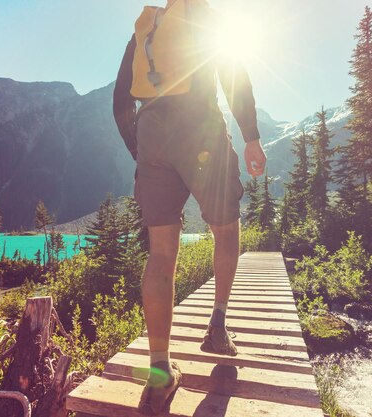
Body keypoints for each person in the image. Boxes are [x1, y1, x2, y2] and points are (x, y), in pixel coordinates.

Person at [113, 0, 266, 414]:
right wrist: (250, 135)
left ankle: (159, 372)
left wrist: (140, 148)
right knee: (226, 228)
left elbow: (119, 101)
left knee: (161, 255)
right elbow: (234, 77)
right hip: (200, 130)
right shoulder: (207, 18)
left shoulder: (146, 28)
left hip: (152, 133)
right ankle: (217, 323)